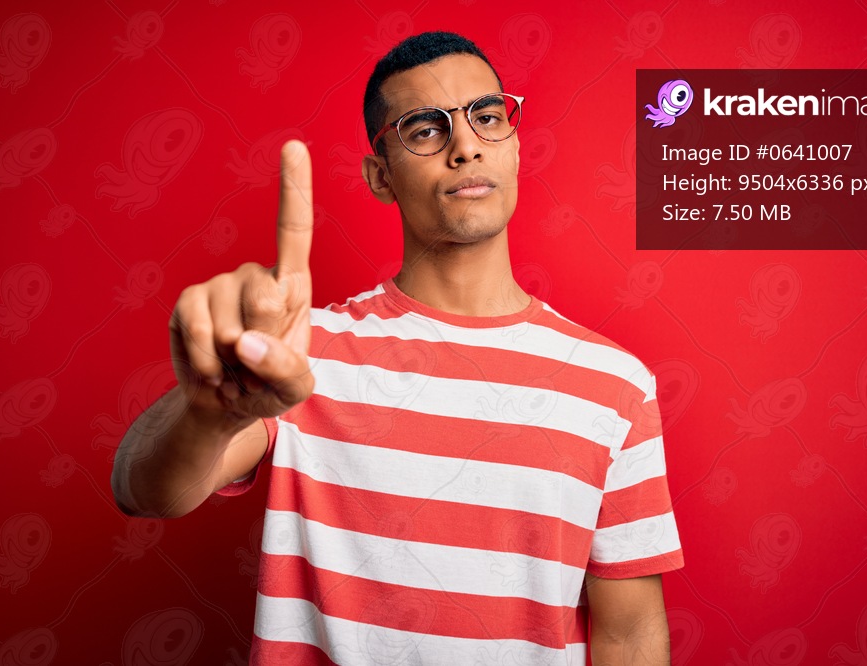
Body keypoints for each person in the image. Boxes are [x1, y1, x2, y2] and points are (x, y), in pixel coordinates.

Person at [112, 31, 683, 665]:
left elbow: (630, 633)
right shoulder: (300, 356)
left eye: (488, 117)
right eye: (426, 130)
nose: (466, 146)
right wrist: (207, 411)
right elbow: (143, 491)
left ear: (515, 146)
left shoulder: (614, 386)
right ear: (380, 176)